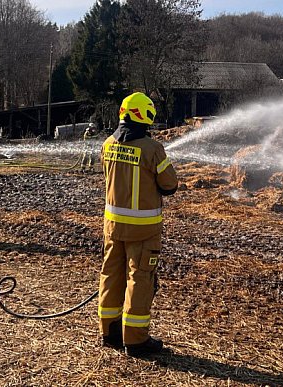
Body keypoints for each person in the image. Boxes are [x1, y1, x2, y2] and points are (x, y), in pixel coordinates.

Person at [98, 92, 178, 357]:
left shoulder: (108, 144)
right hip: (143, 231)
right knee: (139, 280)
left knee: (111, 275)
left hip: (112, 228)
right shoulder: (152, 149)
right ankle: (135, 340)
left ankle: (109, 332)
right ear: (146, 116)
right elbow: (170, 185)